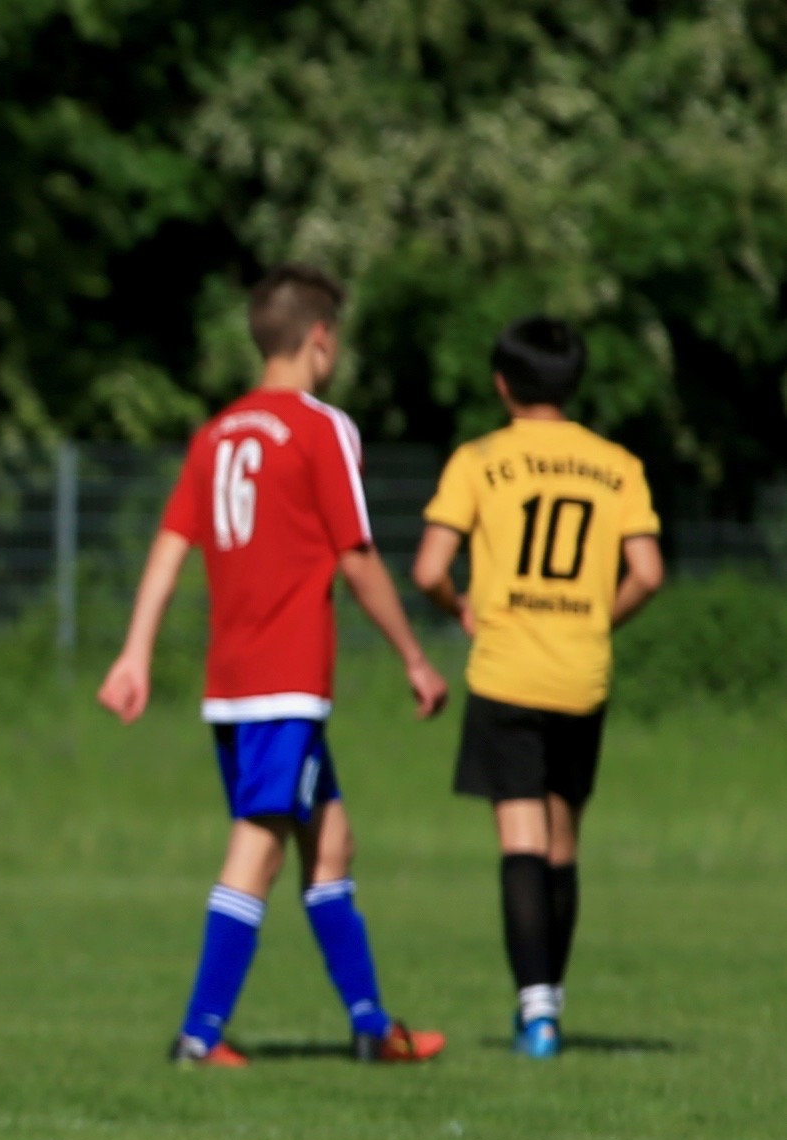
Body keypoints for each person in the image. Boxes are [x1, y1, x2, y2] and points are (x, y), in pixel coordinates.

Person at [96, 266, 450, 1066]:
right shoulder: (323, 427)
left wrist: (136, 651)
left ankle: (371, 1030)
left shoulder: (216, 434)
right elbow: (356, 559)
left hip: (231, 686)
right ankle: (198, 1035)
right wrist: (416, 657)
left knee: (332, 843)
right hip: (286, 684)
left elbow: (169, 545)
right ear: (322, 339)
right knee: (259, 843)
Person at [411, 319, 665, 1058]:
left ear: (502, 383)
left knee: (519, 839)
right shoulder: (617, 465)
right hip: (579, 672)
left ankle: (537, 1014)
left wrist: (458, 607)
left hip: (507, 669)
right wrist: (595, 618)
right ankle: (552, 1001)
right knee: (562, 842)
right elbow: (647, 572)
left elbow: (429, 567)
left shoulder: (479, 460)